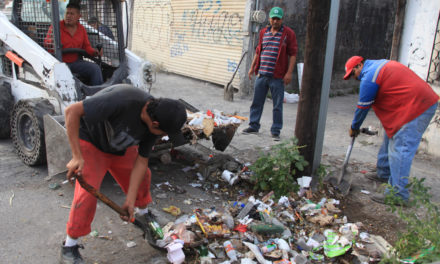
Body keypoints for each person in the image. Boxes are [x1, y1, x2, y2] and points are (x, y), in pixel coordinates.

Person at [60, 84, 187, 263]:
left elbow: (141, 161)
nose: (162, 135)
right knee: (86, 195)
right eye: (163, 132)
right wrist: (76, 156)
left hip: (119, 147)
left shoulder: (155, 122)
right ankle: (69, 246)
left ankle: (143, 213)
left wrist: (130, 200)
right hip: (92, 142)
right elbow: (71, 111)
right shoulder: (122, 100)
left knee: (144, 176)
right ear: (155, 123)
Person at [343, 55, 439, 205]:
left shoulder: (369, 77)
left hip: (417, 107)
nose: (354, 78)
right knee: (391, 136)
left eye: (352, 74)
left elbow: (362, 108)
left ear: (359, 65)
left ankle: (398, 194)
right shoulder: (376, 67)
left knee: (401, 149)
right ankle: (384, 173)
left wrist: (354, 127)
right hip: (411, 104)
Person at [242, 6, 297, 141]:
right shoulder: (263, 32)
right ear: (270, 19)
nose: (275, 21)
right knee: (257, 102)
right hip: (262, 74)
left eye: (278, 19)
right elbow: (258, 51)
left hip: (277, 77)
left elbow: (293, 54)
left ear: (282, 19)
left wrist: (289, 73)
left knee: (277, 105)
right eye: (273, 18)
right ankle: (254, 125)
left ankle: (276, 130)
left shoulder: (288, 34)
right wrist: (251, 67)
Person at [44, 2, 104, 85]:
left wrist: (95, 52)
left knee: (95, 69)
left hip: (76, 62)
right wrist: (52, 43)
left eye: (72, 14)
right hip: (60, 63)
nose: (68, 16)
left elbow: (87, 47)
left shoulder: (81, 29)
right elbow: (47, 42)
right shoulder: (56, 26)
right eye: (67, 13)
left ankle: (98, 93)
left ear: (79, 16)